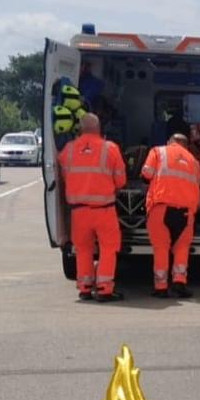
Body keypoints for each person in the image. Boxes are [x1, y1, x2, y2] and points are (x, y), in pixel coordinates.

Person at [57, 114, 127, 302]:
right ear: (99, 128)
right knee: (108, 248)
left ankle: (85, 288)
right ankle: (104, 289)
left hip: (79, 211)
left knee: (83, 250)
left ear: (80, 128)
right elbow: (121, 180)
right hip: (104, 210)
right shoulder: (110, 149)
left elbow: (63, 176)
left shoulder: (68, 150)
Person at [141, 133, 200, 298]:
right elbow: (197, 185)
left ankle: (161, 287)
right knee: (182, 248)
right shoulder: (194, 162)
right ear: (186, 146)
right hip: (186, 212)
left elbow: (146, 174)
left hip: (161, 208)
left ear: (169, 142)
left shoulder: (158, 152)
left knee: (161, 248)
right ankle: (179, 283)